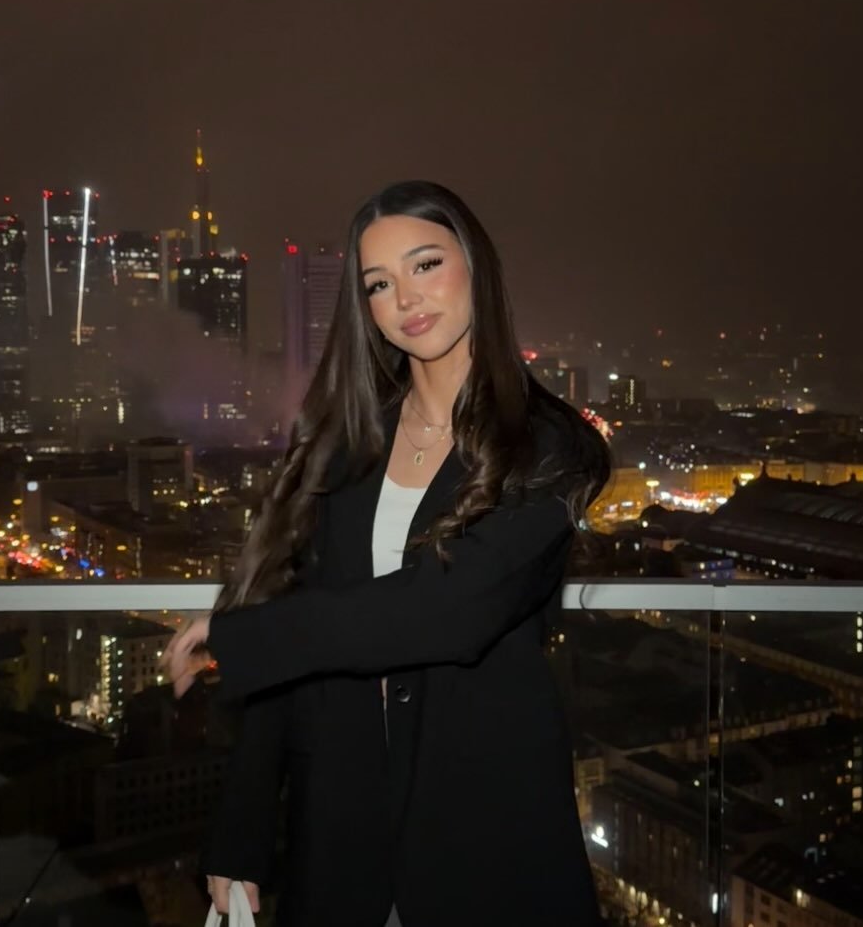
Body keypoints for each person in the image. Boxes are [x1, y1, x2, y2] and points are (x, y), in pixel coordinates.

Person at [163, 180, 611, 927]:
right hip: (342, 825)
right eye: (378, 283)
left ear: (474, 266)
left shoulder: (552, 447)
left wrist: (236, 635)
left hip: (487, 825)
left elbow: (448, 611)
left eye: (425, 264)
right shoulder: (348, 439)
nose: (405, 297)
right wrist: (241, 830)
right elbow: (297, 627)